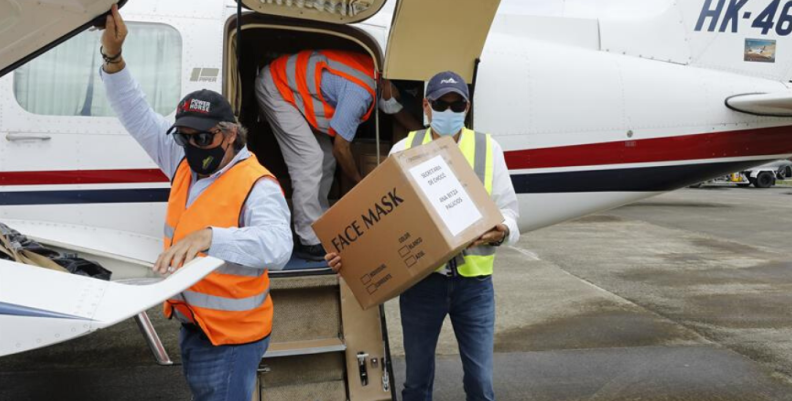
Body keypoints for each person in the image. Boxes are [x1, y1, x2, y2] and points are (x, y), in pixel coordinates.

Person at [99, 5, 292, 400]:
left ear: (229, 135)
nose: (192, 146)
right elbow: (136, 113)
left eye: (202, 138)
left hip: (232, 339)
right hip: (195, 326)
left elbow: (278, 247)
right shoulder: (183, 162)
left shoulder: (257, 184)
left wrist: (210, 237)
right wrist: (113, 58)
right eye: (184, 136)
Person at [325, 71, 520, 401]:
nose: (448, 111)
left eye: (456, 104)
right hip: (422, 285)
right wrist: (349, 255)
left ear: (467, 106)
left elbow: (510, 213)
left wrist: (502, 231)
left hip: (474, 287)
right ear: (426, 107)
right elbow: (382, 220)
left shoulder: (489, 148)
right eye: (440, 104)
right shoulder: (404, 148)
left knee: (480, 384)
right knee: (416, 383)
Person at [255, 49, 416, 261]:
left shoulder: (372, 77)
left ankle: (318, 225)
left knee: (325, 159)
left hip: (293, 91)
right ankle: (308, 238)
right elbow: (341, 148)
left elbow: (398, 112)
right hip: (276, 87)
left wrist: (424, 132)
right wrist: (360, 182)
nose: (394, 102)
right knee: (310, 159)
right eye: (396, 95)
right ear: (387, 84)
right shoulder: (361, 92)